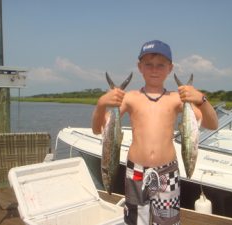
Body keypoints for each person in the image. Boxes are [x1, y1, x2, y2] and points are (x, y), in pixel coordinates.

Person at [92, 40, 218, 225]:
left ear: (170, 68)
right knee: (136, 221)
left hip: (167, 171)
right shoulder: (130, 97)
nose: (154, 70)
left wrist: (202, 99)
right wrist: (101, 103)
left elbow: (212, 124)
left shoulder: (176, 99)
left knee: (167, 221)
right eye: (148, 65)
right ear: (140, 67)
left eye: (161, 65)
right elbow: (97, 129)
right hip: (136, 170)